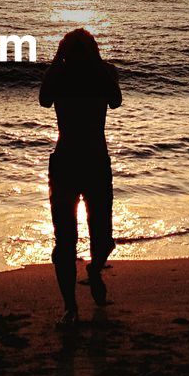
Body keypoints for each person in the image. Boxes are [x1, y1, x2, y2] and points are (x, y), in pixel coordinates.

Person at [39, 28, 122, 325]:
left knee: (103, 238)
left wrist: (95, 65)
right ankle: (69, 305)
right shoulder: (59, 75)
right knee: (65, 240)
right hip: (65, 163)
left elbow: (116, 100)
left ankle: (94, 268)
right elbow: (44, 100)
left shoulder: (105, 72)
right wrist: (56, 62)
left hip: (95, 162)